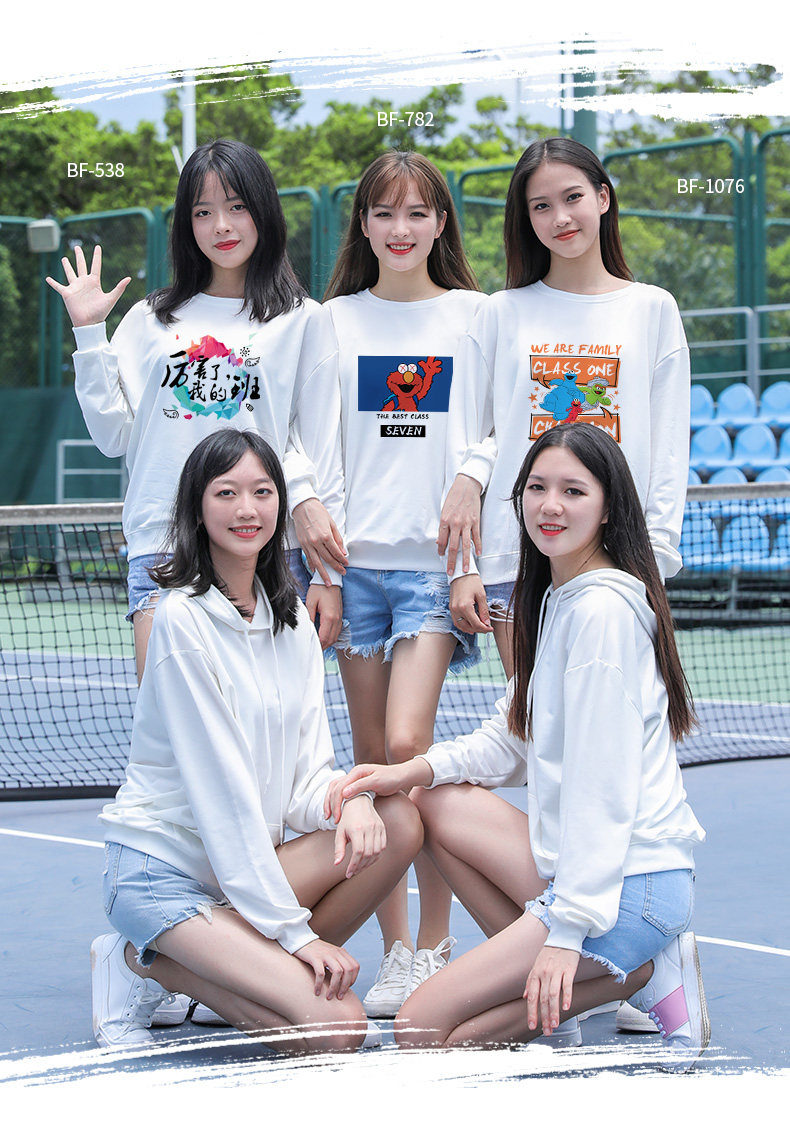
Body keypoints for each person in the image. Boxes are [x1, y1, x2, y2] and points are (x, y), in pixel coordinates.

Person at [328, 423, 709, 1071]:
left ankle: (640, 973)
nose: (550, 505)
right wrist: (411, 770)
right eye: (537, 487)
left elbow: (601, 792)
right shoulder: (561, 598)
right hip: (589, 875)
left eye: (573, 491)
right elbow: (511, 737)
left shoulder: (600, 615)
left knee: (420, 1031)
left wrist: (565, 934)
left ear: (608, 507)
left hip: (629, 886)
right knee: (432, 798)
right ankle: (565, 988)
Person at [90, 429, 422, 1054]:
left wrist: (350, 798)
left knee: (397, 819)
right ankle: (141, 961)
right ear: (197, 508)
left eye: (262, 492)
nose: (247, 509)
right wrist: (298, 937)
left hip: (242, 875)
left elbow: (307, 776)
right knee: (337, 1030)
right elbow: (224, 798)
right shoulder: (179, 620)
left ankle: (229, 964)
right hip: (164, 875)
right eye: (226, 493)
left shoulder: (292, 623)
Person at [46, 139, 346, 683]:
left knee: (263, 720)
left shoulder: (304, 319)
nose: (221, 226)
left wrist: (329, 575)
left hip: (265, 547)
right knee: (169, 719)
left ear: (264, 210)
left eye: (236, 206)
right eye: (202, 212)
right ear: (186, 225)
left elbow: (320, 448)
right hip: (165, 541)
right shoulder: (149, 319)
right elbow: (113, 436)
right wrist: (89, 334)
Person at [321, 151, 485, 1017]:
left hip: (432, 573)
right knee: (371, 762)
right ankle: (394, 952)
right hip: (354, 571)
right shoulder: (332, 321)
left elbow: (498, 422)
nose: (400, 229)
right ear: (363, 224)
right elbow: (314, 443)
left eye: (418, 212)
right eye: (384, 213)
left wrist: (473, 481)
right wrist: (323, 565)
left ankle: (435, 943)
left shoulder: (474, 315)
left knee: (406, 744)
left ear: (440, 223)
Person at [438, 137, 691, 682]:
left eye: (572, 197)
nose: (560, 217)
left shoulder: (653, 309)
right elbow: (464, 445)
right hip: (515, 559)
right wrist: (463, 568)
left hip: (620, 562)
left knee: (603, 718)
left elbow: (669, 450)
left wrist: (655, 559)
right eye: (541, 206)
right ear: (526, 218)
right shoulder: (500, 313)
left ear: (603, 197)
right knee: (532, 721)